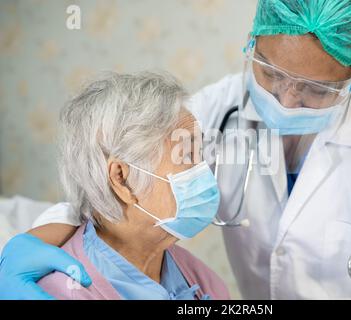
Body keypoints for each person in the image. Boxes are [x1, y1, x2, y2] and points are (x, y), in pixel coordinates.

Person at [1, 0, 351, 300]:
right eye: (271, 72)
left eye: (315, 89)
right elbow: (115, 167)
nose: (286, 99)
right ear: (252, 44)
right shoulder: (219, 110)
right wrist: (30, 244)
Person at [3, 71, 229, 300]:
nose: (204, 169)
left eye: (201, 153)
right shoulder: (62, 290)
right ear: (121, 179)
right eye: (187, 155)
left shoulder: (204, 282)